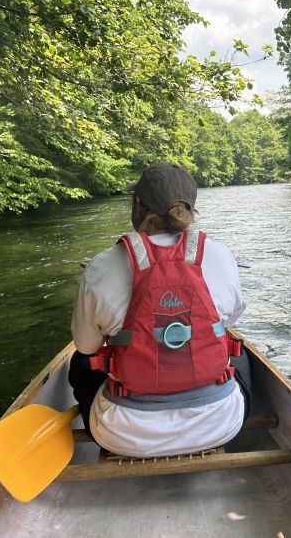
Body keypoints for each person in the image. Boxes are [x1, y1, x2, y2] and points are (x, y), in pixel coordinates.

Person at [69, 163, 251, 458]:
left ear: (137, 205)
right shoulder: (220, 254)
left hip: (123, 436)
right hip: (221, 425)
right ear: (190, 209)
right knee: (241, 355)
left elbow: (86, 345)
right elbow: (227, 321)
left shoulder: (101, 265)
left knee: (80, 361)